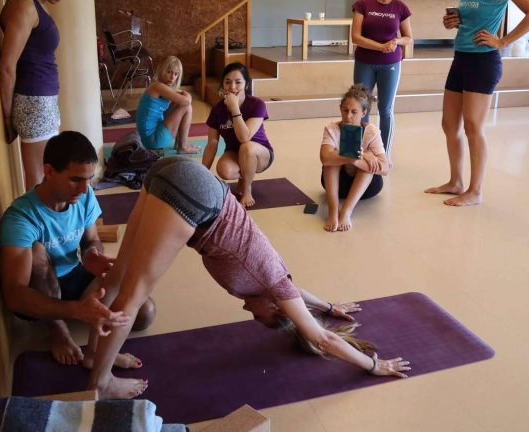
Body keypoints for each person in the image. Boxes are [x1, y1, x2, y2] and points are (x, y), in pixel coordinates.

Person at [85, 157, 411, 399]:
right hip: (194, 195)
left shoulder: (274, 283)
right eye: (259, 316)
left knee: (119, 275)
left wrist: (327, 306)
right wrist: (372, 366)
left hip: (176, 173)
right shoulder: (274, 282)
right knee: (133, 295)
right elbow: (322, 339)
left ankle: (95, 356)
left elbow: (295, 292)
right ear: (278, 307)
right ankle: (101, 382)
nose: (248, 312)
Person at [0, 131, 155, 366]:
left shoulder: (83, 195)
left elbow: (91, 239)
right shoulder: (21, 217)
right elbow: (15, 296)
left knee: (143, 313)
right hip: (39, 285)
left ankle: (76, 317)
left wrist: (92, 253)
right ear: (49, 171)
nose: (84, 189)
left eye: (89, 179)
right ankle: (57, 329)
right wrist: (75, 311)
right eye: (75, 179)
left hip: (74, 275)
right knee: (37, 251)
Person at [425, 0, 529, 206]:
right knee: (449, 124)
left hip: (484, 62)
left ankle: (475, 191)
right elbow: (471, 16)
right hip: (461, 57)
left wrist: (503, 41)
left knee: (473, 127)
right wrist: (453, 22)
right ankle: (456, 181)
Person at [0, 0, 84, 190]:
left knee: (50, 175)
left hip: (42, 101)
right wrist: (7, 116)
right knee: (40, 179)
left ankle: (51, 226)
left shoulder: (35, 5)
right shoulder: (24, 6)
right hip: (33, 103)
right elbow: (6, 66)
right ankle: (42, 229)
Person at [351, 0, 413, 165]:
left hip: (390, 65)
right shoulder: (363, 4)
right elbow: (356, 37)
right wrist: (379, 47)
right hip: (365, 62)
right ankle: (360, 152)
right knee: (361, 108)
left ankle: (384, 155)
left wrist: (396, 42)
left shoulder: (400, 7)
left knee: (386, 109)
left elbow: (408, 37)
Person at [203, 62, 274, 208]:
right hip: (234, 153)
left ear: (246, 84)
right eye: (227, 82)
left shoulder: (257, 104)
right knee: (224, 169)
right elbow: (212, 144)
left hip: (260, 154)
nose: (232, 87)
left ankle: (247, 189)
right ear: (222, 85)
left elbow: (244, 137)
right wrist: (202, 173)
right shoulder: (217, 109)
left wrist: (234, 107)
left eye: (238, 82)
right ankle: (244, 177)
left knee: (246, 147)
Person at [321, 85, 389, 232]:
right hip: (339, 186)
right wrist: (354, 158)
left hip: (366, 188)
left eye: (354, 112)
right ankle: (333, 211)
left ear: (364, 112)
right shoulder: (332, 129)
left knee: (368, 166)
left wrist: (360, 159)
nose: (348, 116)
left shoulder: (372, 132)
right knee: (332, 162)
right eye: (345, 110)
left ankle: (346, 211)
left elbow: (385, 168)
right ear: (340, 109)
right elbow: (325, 159)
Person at [135, 56, 201, 154]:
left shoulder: (160, 86)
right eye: (169, 72)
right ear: (162, 70)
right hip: (153, 139)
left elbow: (181, 96)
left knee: (177, 103)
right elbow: (186, 101)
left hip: (148, 139)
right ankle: (182, 146)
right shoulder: (158, 87)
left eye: (176, 74)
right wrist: (188, 95)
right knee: (186, 107)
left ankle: (179, 144)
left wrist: (185, 95)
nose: (172, 77)